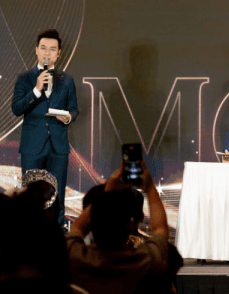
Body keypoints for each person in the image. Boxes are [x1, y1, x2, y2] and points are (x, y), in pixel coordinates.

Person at [67, 161, 174, 294]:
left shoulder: (75, 258)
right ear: (131, 223)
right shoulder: (146, 261)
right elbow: (160, 229)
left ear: (92, 224)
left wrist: (107, 190)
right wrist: (150, 187)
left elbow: (77, 228)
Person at [12, 29, 79, 229]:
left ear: (58, 53)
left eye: (52, 49)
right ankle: (30, 235)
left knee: (57, 196)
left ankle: (57, 236)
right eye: (43, 48)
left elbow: (74, 109)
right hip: (32, 145)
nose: (47, 53)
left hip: (58, 146)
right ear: (36, 50)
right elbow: (16, 108)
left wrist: (68, 117)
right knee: (30, 196)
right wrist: (36, 89)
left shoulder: (67, 80)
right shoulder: (25, 79)